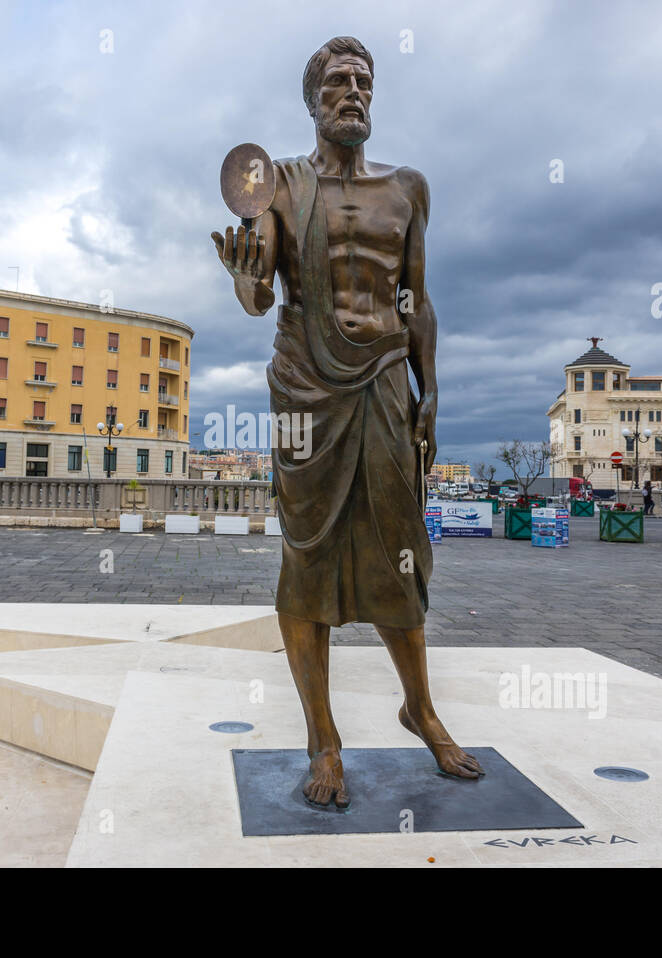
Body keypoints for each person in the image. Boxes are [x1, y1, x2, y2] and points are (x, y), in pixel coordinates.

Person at [211, 36, 483, 808]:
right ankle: (322, 739)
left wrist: (430, 393)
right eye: (338, 80)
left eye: (364, 80)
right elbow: (261, 295)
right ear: (313, 100)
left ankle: (421, 709)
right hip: (307, 391)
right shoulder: (281, 188)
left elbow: (417, 299)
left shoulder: (408, 189)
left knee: (403, 550)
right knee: (309, 555)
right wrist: (245, 281)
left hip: (388, 382)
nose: (354, 91)